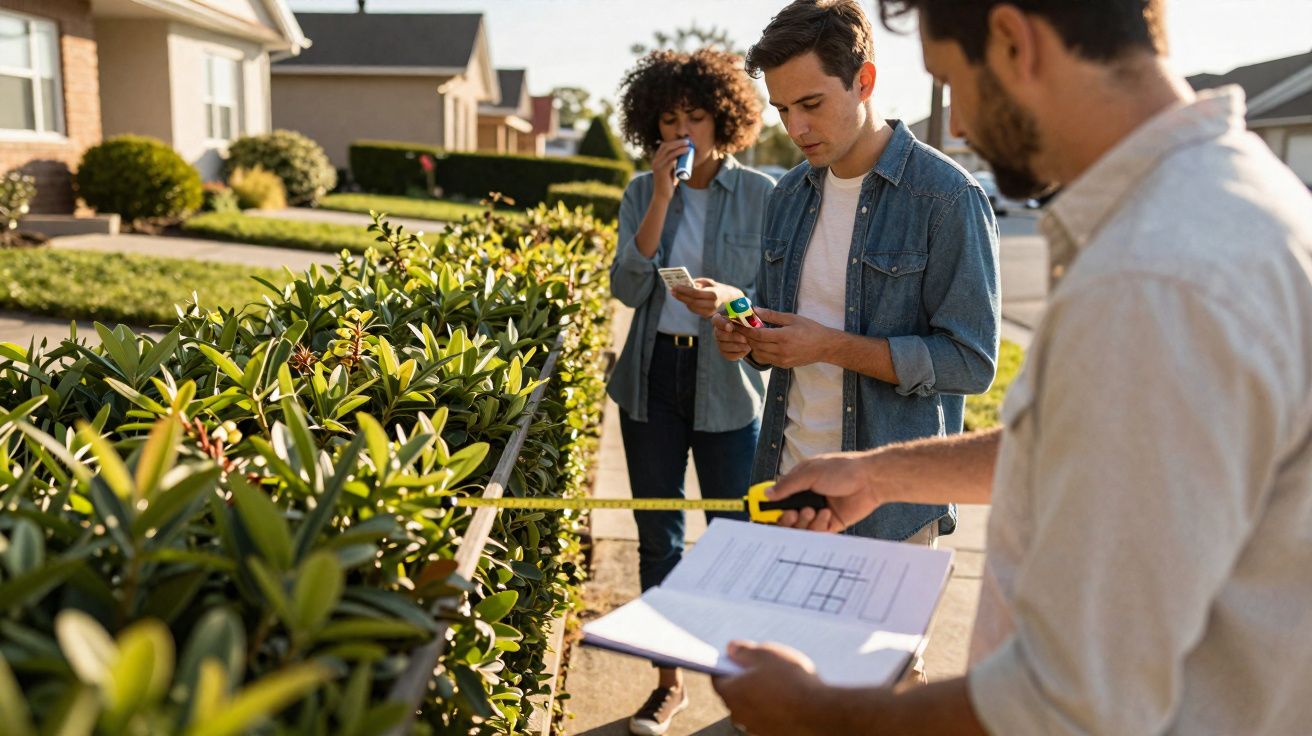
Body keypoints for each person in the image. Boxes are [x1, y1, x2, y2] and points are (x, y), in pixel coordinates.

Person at [712, 1, 1312, 734]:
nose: (958, 124)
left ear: (1012, 41)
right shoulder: (1227, 201)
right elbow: (1089, 446)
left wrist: (817, 712)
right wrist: (877, 476)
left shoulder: (1154, 275)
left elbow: (1066, 703)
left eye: (953, 82)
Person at [711, 0, 1000, 552]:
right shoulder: (788, 195)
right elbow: (779, 327)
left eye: (811, 104)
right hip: (785, 486)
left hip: (890, 511)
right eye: (782, 109)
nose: (796, 127)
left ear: (863, 81)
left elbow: (972, 362)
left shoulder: (947, 199)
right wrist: (748, 340)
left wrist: (829, 346)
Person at [606, 48, 777, 736]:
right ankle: (667, 684)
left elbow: (773, 304)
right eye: (670, 119)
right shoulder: (639, 190)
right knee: (658, 538)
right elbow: (626, 287)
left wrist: (732, 303)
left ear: (724, 120)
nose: (682, 132)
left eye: (696, 117)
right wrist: (662, 197)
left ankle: (744, 690)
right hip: (652, 381)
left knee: (736, 540)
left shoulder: (765, 194)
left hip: (729, 387)